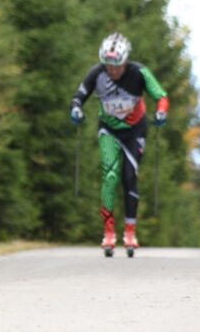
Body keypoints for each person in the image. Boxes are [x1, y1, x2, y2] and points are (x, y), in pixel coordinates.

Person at [69, 32, 169, 254]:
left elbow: (160, 95)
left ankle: (130, 232)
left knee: (129, 176)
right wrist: (76, 109)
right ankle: (109, 232)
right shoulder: (97, 73)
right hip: (109, 130)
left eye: (118, 66)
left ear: (125, 61)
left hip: (135, 130)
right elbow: (79, 96)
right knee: (110, 174)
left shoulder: (139, 73)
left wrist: (161, 112)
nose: (113, 71)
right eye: (108, 66)